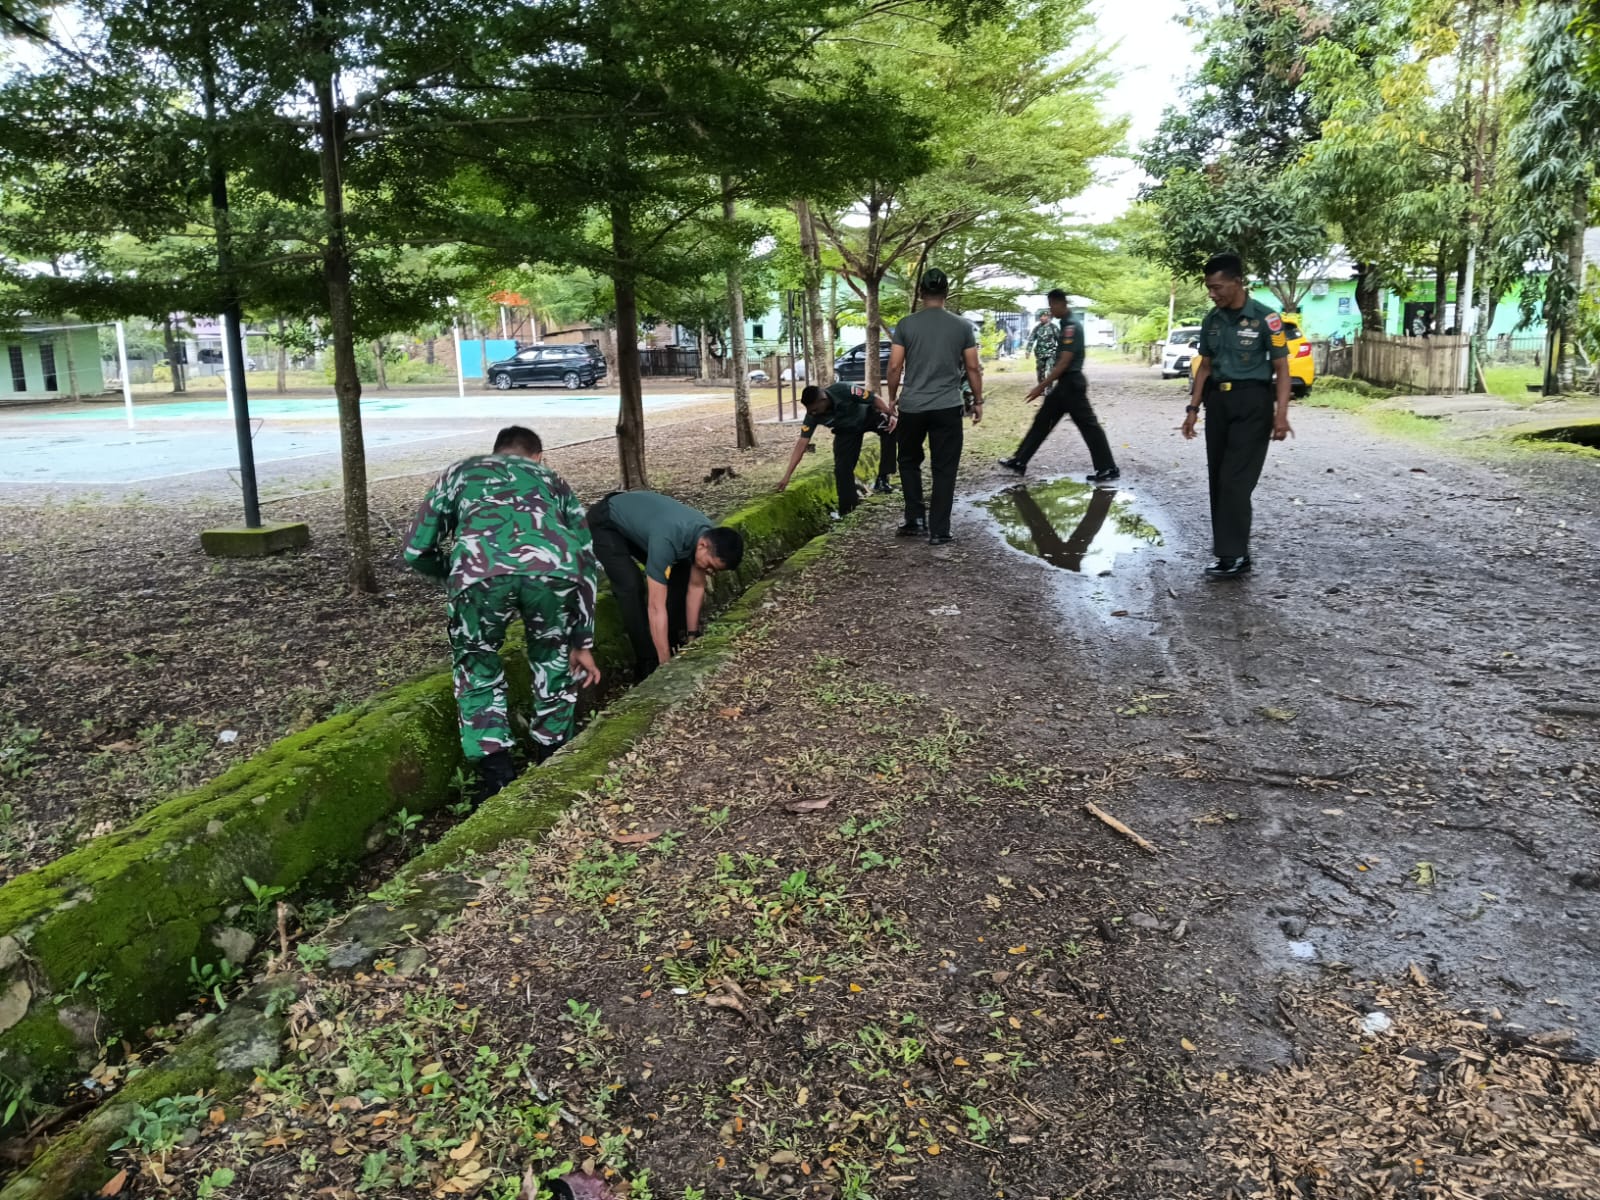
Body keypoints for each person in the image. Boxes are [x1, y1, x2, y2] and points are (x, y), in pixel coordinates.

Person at [403, 425, 601, 800]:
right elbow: (586, 560)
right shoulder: (552, 479)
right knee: (553, 658)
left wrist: (456, 573)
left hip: (478, 575)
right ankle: (554, 763)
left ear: (495, 452)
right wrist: (583, 641)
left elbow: (416, 551)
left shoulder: (460, 472)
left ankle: (497, 780)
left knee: (477, 666)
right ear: (538, 457)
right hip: (554, 572)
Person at [1183, 252, 1294, 578]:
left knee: (1235, 480)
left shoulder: (1266, 318)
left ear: (1237, 282)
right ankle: (1232, 554)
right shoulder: (1212, 320)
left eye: (1217, 287)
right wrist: (1192, 409)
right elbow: (1205, 367)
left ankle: (1233, 555)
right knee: (1219, 478)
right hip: (1218, 402)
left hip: (1253, 403)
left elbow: (1282, 369)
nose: (1212, 293)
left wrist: (1281, 414)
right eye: (1209, 287)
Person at [585, 490, 744, 675]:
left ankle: (674, 638)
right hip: (606, 522)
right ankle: (647, 659)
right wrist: (665, 664)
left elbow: (696, 586)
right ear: (703, 546)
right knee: (630, 585)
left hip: (642, 524)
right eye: (710, 566)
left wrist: (692, 637)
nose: (710, 572)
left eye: (716, 570)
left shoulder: (707, 534)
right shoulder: (668, 541)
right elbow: (655, 607)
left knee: (681, 573)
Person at [886, 267, 983, 546]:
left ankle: (915, 519)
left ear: (920, 293)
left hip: (912, 406)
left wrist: (892, 398)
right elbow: (973, 367)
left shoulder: (906, 325)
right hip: (947, 406)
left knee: (908, 461)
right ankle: (940, 530)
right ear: (946, 293)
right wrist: (977, 400)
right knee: (945, 466)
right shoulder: (962, 326)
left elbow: (894, 366)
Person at [998, 289, 1119, 484]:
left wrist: (1041, 386)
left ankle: (1107, 468)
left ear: (1062, 304)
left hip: (1071, 384)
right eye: (1049, 306)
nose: (1051, 310)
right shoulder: (1064, 324)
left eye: (1052, 305)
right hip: (1065, 384)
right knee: (1042, 420)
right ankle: (1019, 461)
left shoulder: (1071, 326)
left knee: (1089, 426)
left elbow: (1064, 362)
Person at [775, 381, 898, 514]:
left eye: (815, 409)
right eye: (809, 410)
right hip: (846, 431)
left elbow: (874, 398)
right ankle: (848, 508)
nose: (812, 413)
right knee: (841, 469)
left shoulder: (844, 390)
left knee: (891, 427)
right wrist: (787, 476)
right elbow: (802, 443)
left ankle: (883, 478)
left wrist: (891, 415)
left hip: (867, 416)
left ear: (823, 400)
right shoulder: (812, 415)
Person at [1023, 310, 1058, 383]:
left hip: (1051, 353)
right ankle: (1041, 387)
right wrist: (1028, 351)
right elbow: (1031, 339)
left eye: (1044, 316)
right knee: (1040, 372)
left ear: (1048, 317)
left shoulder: (1053, 327)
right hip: (1040, 353)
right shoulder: (1037, 328)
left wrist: (1062, 351)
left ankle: (1049, 388)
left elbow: (1060, 340)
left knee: (1050, 371)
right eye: (1041, 316)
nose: (1042, 318)